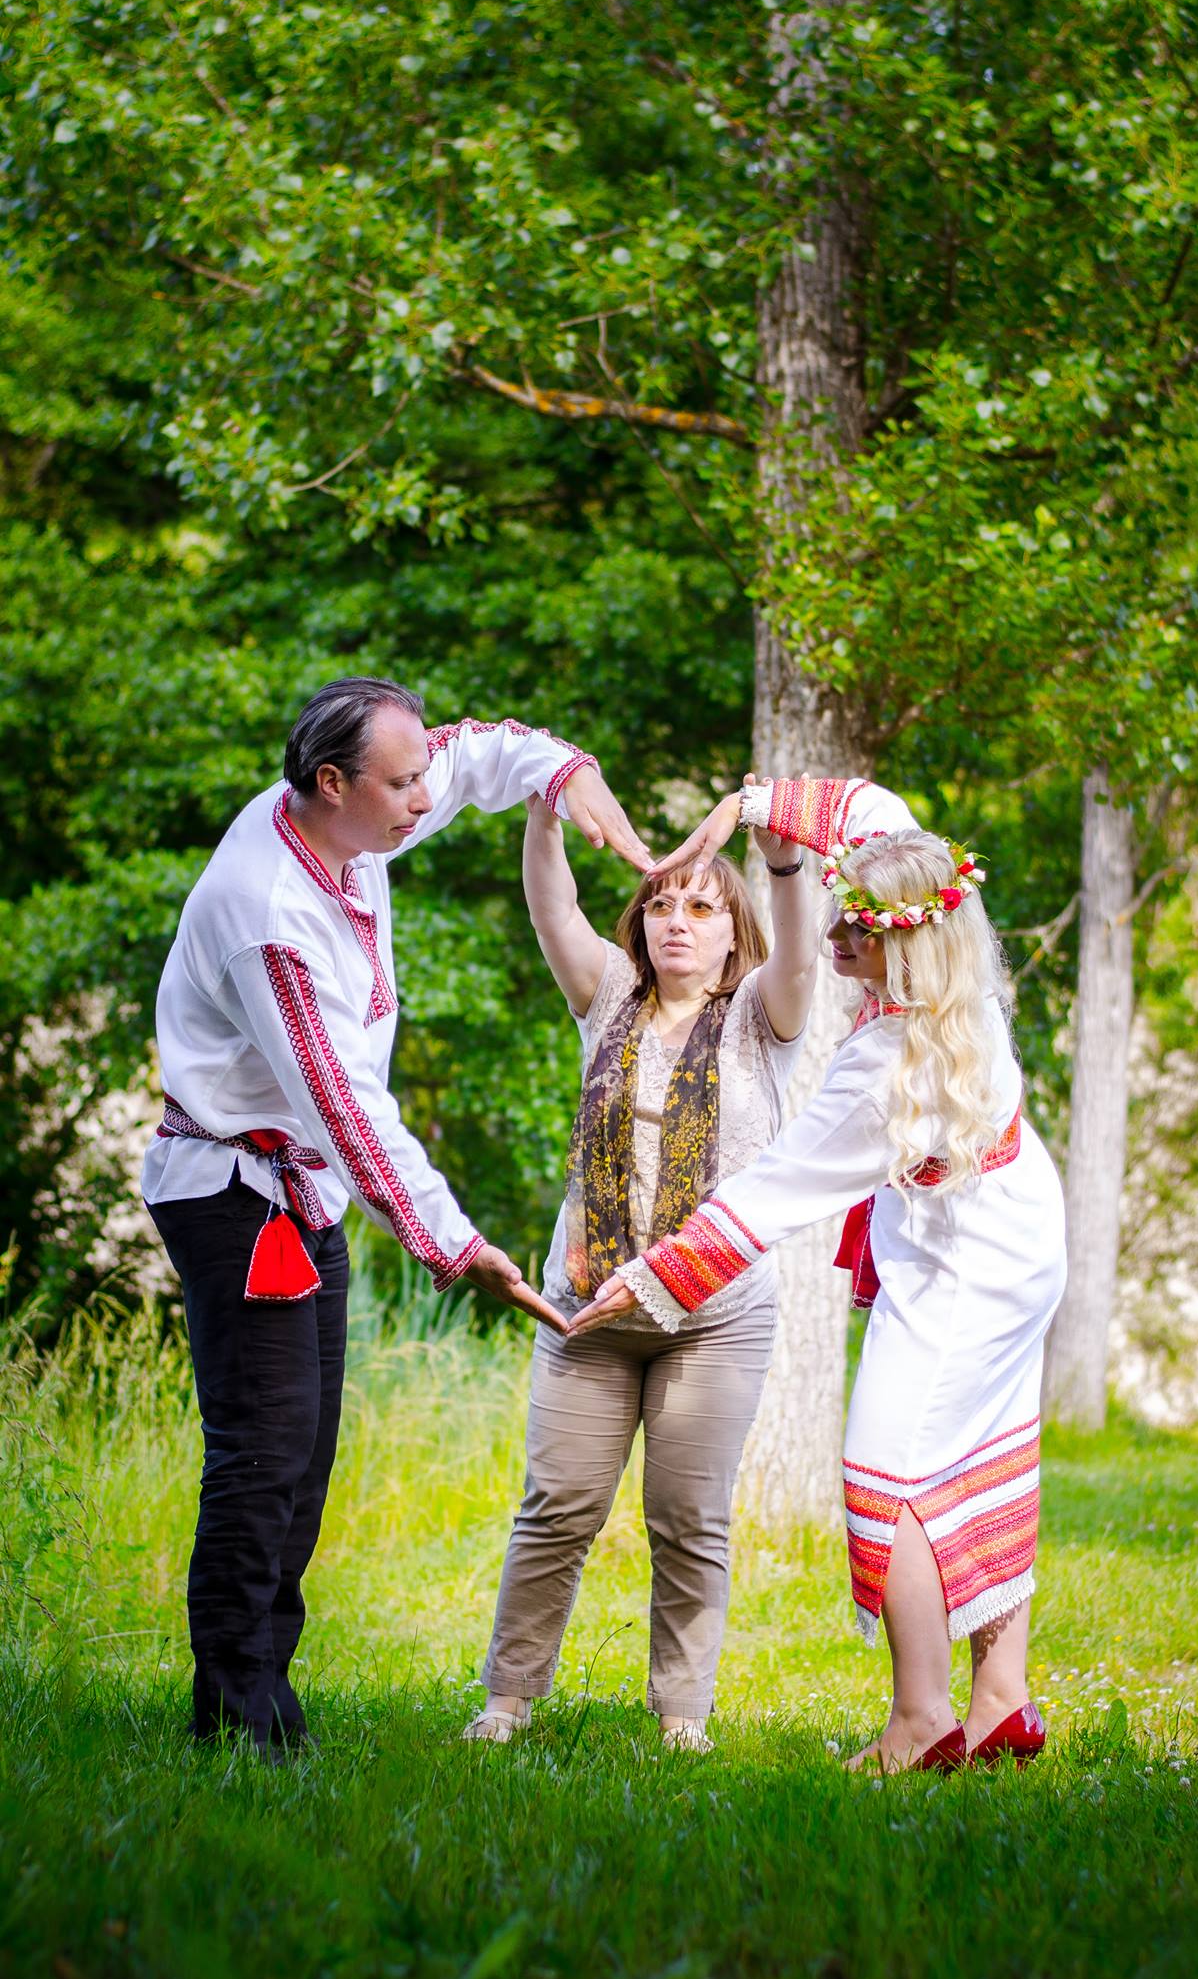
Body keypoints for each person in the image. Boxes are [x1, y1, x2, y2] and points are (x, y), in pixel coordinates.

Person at [142, 676, 649, 1756]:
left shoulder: (352, 818)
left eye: (421, 776)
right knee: (262, 1458)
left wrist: (566, 771)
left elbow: (475, 752)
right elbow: (348, 1114)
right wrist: (455, 1245)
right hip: (238, 1196)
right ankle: (233, 1723)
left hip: (304, 1187)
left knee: (303, 1457)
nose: (425, 798)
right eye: (402, 783)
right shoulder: (268, 915)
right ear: (332, 783)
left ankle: (266, 1699)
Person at [575, 775, 1067, 1773]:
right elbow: (869, 811)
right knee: (986, 1440)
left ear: (907, 942)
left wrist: (650, 1276)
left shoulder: (889, 1065)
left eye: (856, 929)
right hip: (1015, 1230)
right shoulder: (955, 969)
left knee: (892, 1476)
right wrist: (746, 809)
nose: (834, 936)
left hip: (966, 1265)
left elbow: (774, 1190)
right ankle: (1001, 1699)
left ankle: (920, 1717)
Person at [465, 787, 819, 1751]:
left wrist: (782, 859)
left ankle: (681, 1718)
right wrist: (545, 812)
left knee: (687, 1516)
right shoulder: (608, 996)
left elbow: (799, 954)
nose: (677, 921)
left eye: (701, 907)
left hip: (714, 1319)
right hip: (586, 1313)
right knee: (558, 1509)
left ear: (732, 933)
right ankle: (506, 1703)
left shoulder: (761, 1017)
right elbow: (553, 908)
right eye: (662, 904)